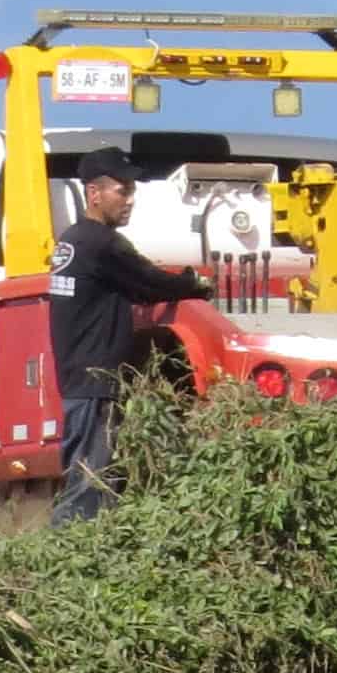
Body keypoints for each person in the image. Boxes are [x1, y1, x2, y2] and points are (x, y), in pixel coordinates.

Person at [47, 159, 212, 523]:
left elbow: (134, 288)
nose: (130, 200)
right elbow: (149, 282)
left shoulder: (73, 240)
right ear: (94, 193)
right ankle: (71, 545)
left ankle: (78, 544)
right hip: (96, 381)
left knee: (89, 478)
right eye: (122, 191)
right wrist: (194, 284)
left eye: (132, 191)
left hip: (80, 379)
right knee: (90, 485)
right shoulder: (101, 243)